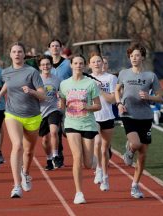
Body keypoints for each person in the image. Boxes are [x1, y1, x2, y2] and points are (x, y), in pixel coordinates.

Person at [0, 42, 45, 198]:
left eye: (20, 51)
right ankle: (16, 186)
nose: (17, 54)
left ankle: (26, 174)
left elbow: (43, 95)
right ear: (10, 54)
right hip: (12, 114)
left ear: (24, 54)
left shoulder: (32, 72)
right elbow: (8, 84)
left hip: (33, 115)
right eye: (14, 51)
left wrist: (31, 91)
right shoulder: (6, 72)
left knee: (28, 152)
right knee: (17, 145)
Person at [115, 43, 162, 199]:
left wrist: (149, 97)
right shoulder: (123, 73)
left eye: (136, 55)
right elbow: (117, 90)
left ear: (142, 57)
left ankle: (135, 185)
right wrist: (119, 103)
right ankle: (129, 150)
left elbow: (159, 97)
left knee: (142, 154)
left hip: (145, 116)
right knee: (136, 144)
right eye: (131, 56)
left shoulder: (150, 76)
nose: (133, 58)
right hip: (128, 114)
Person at [59, 54, 101, 204]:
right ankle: (79, 193)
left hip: (88, 124)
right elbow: (63, 103)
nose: (78, 65)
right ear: (71, 65)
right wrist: (60, 105)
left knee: (88, 163)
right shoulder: (64, 84)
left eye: (81, 63)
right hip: (71, 124)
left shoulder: (90, 84)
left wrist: (87, 107)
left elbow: (98, 106)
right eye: (75, 63)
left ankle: (97, 164)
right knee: (77, 157)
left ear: (84, 66)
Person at [89, 52, 117, 191]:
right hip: (93, 116)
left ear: (103, 63)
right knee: (98, 143)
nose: (96, 64)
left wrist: (100, 90)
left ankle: (105, 176)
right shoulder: (86, 79)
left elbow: (112, 99)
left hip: (108, 116)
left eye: (99, 61)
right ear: (89, 65)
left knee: (105, 148)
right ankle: (99, 170)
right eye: (93, 62)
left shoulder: (111, 78)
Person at [49, 39, 73, 167]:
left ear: (61, 48)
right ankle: (59, 155)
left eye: (57, 46)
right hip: (53, 102)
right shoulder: (46, 64)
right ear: (49, 48)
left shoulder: (68, 64)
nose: (55, 48)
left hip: (69, 99)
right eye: (52, 46)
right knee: (55, 130)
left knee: (68, 130)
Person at [38, 55, 63, 170]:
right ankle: (48, 158)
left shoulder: (57, 79)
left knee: (54, 131)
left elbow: (62, 94)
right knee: (45, 139)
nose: (45, 66)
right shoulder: (36, 79)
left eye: (48, 64)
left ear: (51, 66)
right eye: (43, 64)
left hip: (54, 109)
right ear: (40, 67)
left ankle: (55, 156)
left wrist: (61, 101)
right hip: (40, 111)